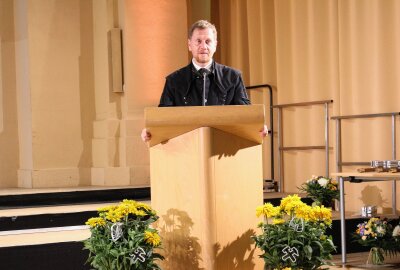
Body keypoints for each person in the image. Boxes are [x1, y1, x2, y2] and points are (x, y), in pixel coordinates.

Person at [141, 20, 269, 142]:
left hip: (224, 149)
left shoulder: (233, 77)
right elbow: (162, 120)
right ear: (189, 45)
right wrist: (150, 131)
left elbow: (245, 115)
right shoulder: (174, 80)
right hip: (185, 151)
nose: (203, 46)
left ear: (215, 45)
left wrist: (256, 127)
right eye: (198, 41)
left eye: (208, 41)